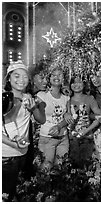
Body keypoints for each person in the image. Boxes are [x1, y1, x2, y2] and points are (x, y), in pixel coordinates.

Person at [2, 60, 46, 201]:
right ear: (9, 78)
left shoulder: (29, 98)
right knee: (6, 195)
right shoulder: (3, 98)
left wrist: (33, 108)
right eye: (17, 76)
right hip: (6, 155)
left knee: (22, 192)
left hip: (24, 153)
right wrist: (13, 144)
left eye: (25, 76)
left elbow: (42, 120)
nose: (21, 80)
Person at [64, 76, 101, 168]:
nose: (76, 85)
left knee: (86, 166)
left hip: (87, 138)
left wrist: (86, 130)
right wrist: (66, 115)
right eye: (74, 82)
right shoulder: (67, 100)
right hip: (71, 139)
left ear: (84, 84)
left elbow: (99, 117)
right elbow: (64, 117)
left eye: (79, 82)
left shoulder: (90, 99)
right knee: (72, 166)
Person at [36, 66, 70, 173]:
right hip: (47, 138)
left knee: (61, 169)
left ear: (64, 78)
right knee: (46, 170)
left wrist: (59, 126)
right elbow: (38, 117)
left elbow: (69, 117)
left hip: (63, 139)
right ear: (49, 78)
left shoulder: (66, 98)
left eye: (59, 75)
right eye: (53, 75)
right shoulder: (42, 95)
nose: (56, 77)